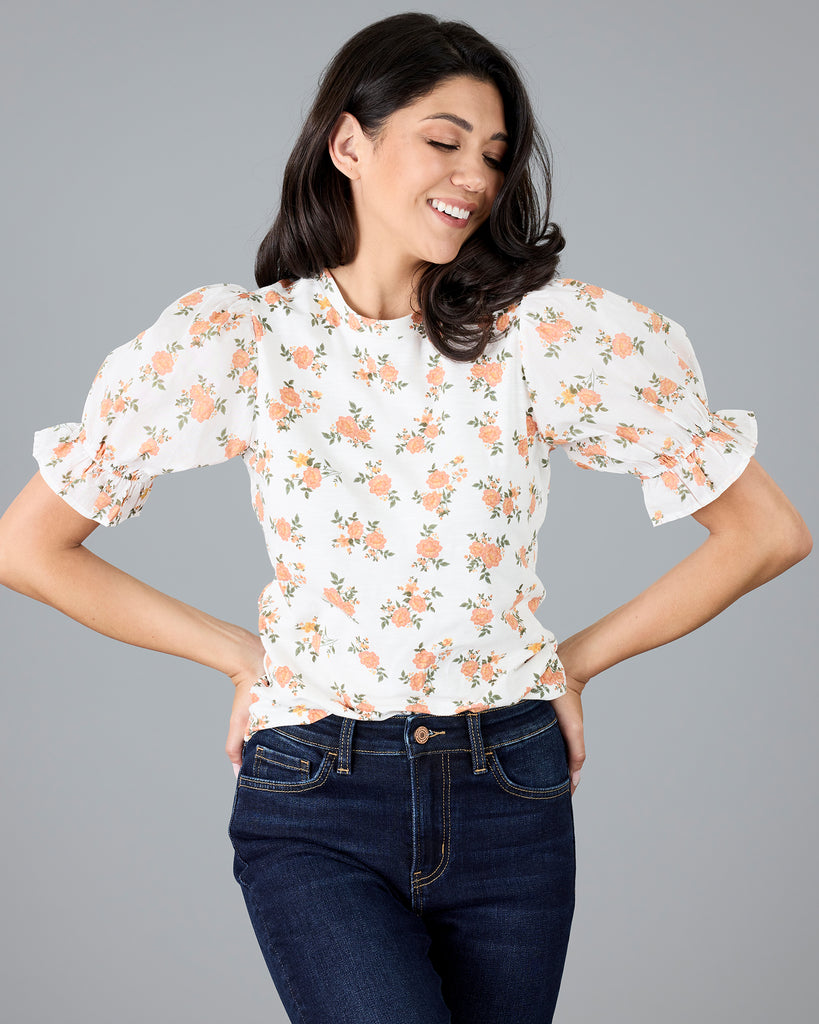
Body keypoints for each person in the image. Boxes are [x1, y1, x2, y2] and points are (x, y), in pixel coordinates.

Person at [0, 11, 811, 1024]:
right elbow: (27, 547)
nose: (474, 174)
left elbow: (767, 531)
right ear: (349, 144)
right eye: (444, 138)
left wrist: (569, 662)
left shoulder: (542, 339)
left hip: (509, 787)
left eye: (495, 153)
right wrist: (242, 656)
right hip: (314, 793)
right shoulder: (243, 343)